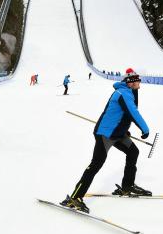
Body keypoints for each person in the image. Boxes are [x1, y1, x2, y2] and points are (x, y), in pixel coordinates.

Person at [61, 68, 151, 213]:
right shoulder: (123, 94)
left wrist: (123, 128)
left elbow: (125, 114)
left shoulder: (129, 92)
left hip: (117, 133)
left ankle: (127, 186)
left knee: (133, 152)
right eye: (137, 80)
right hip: (105, 134)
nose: (139, 82)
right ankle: (74, 197)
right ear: (130, 83)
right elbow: (133, 112)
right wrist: (145, 129)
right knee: (96, 164)